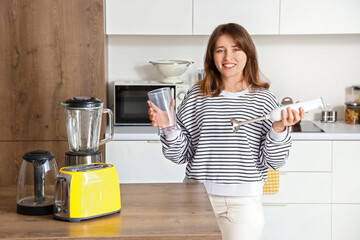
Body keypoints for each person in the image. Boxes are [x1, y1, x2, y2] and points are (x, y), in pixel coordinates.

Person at [147, 23, 305, 240]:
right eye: (220, 50)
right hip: (196, 197)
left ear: (248, 53)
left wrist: (279, 129)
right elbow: (179, 155)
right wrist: (169, 127)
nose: (227, 56)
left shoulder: (264, 99)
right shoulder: (197, 95)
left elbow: (274, 161)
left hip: (244, 204)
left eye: (236, 49)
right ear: (212, 56)